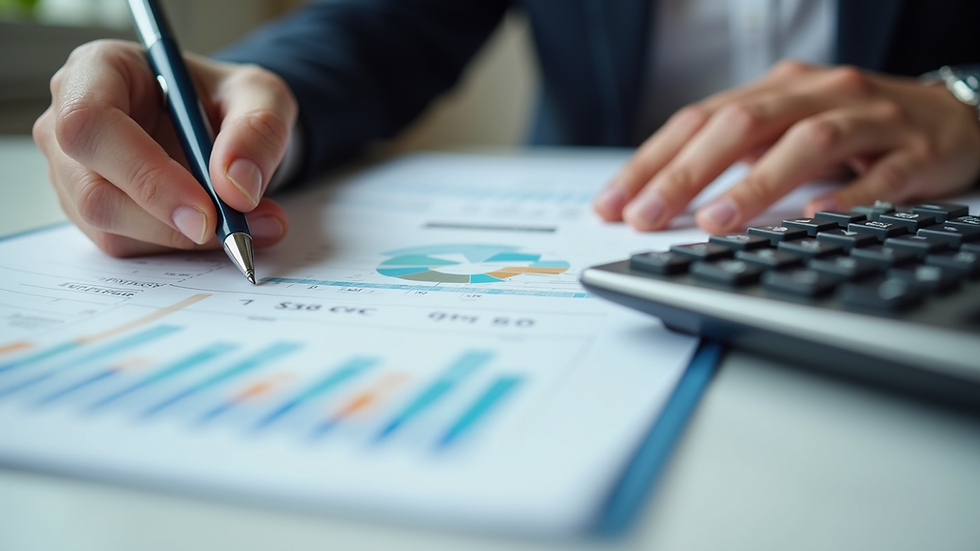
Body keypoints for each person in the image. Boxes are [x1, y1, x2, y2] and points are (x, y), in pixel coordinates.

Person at [32, 0, 980, 258]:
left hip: (920, 231)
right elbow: (388, 22)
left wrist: (970, 103)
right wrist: (246, 98)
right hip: (597, 251)